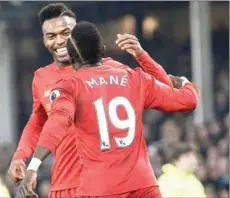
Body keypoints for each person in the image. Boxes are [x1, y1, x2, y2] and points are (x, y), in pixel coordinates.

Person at [9, 3, 177, 198]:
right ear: (44, 39)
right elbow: (38, 122)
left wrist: (161, 73)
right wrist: (20, 156)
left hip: (110, 184)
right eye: (51, 36)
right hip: (65, 185)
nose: (60, 41)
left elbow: (165, 92)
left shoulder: (113, 70)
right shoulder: (42, 78)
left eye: (66, 33)